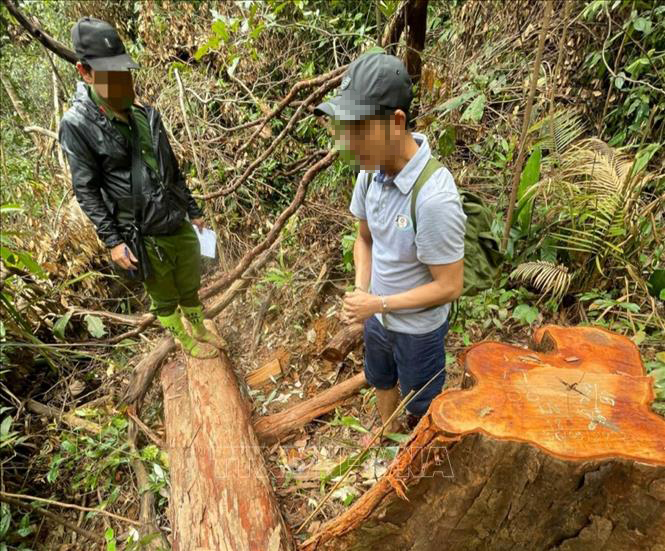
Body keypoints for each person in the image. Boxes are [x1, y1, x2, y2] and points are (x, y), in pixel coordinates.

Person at [314, 52, 466, 432]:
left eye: (360, 129)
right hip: (377, 317)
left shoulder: (433, 198)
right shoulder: (370, 172)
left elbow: (450, 285)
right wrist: (362, 292)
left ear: (396, 122)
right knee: (380, 378)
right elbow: (364, 240)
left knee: (422, 399)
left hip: (418, 330)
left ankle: (418, 452)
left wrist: (377, 302)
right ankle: (385, 434)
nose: (349, 141)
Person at [58, 17, 223, 358]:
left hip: (174, 217)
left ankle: (199, 325)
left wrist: (192, 209)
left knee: (190, 277)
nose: (121, 82)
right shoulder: (77, 125)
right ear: (84, 72)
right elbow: (86, 189)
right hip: (141, 230)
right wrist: (113, 241)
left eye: (123, 72)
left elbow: (171, 166)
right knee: (163, 291)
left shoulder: (144, 115)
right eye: (110, 75)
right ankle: (185, 340)